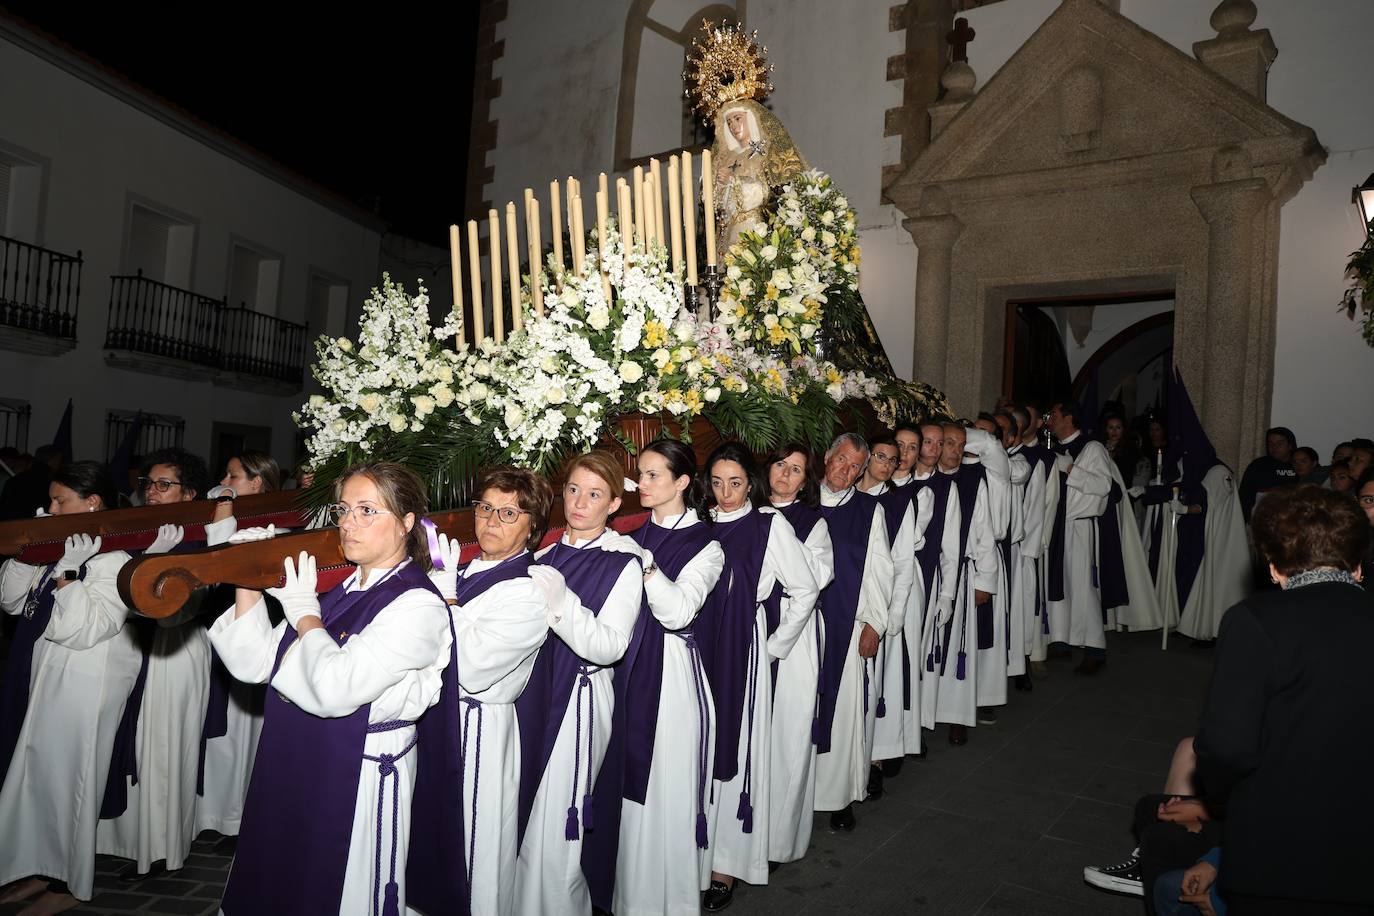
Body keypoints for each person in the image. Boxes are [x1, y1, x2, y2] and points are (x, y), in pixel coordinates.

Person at [210, 462, 453, 916]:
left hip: (360, 770)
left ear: (405, 523)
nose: (348, 523)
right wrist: (248, 580)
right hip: (301, 755)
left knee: (342, 893)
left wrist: (305, 616)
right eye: (343, 510)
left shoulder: (417, 604)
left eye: (367, 510)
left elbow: (336, 688)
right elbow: (256, 663)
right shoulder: (339, 588)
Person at [1194, 485, 1374, 914]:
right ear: (1359, 566)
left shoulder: (1255, 621)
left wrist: (1219, 798)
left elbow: (1227, 748)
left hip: (1280, 850)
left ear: (1273, 568)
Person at [416, 468, 560, 916]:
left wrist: (447, 600)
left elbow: (474, 668)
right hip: (435, 717)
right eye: (485, 508)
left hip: (478, 728)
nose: (491, 520)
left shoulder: (530, 590)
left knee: (472, 848)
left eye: (508, 512)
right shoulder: (462, 567)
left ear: (532, 526)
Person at [0, 462, 143, 913]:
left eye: (61, 500)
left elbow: (86, 628)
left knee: (76, 779)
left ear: (92, 504)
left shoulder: (114, 558)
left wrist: (66, 575)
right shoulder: (63, 548)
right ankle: (41, 868)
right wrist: (31, 555)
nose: (50, 508)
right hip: (49, 673)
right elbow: (10, 602)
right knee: (41, 774)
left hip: (89, 679)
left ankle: (70, 885)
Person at [512, 452, 643, 916]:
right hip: (532, 695)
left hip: (581, 700)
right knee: (522, 819)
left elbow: (610, 645)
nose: (579, 502)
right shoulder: (542, 554)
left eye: (594, 494)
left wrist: (562, 604)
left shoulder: (624, 562)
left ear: (613, 504)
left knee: (556, 829)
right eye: (573, 490)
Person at [698, 443, 818, 911]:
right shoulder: (699, 525)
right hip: (697, 648)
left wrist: (772, 648)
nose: (726, 493)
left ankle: (725, 863)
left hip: (741, 649)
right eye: (718, 482)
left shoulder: (770, 526)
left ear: (753, 482)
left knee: (735, 749)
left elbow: (805, 587)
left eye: (737, 482)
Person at [613, 439, 724, 916]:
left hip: (673, 674)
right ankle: (630, 894)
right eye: (641, 473)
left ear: (682, 482)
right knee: (626, 778)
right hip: (628, 665)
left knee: (666, 780)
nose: (643, 482)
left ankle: (672, 898)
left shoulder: (707, 544)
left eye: (655, 474)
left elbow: (679, 611)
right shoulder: (629, 533)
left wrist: (645, 564)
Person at [99, 447, 215, 881]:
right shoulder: (139, 528)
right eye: (149, 484)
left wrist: (151, 560)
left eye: (164, 485)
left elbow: (185, 599)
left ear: (189, 493)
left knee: (166, 748)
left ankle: (166, 848)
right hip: (137, 645)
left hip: (176, 645)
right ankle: (130, 842)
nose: (152, 492)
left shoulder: (201, 536)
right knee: (135, 743)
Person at [194, 451, 283, 846]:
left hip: (258, 631)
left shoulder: (277, 520)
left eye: (234, 475)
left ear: (258, 482)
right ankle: (215, 813)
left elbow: (223, 556)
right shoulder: (229, 513)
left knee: (246, 733)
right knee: (221, 733)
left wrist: (224, 510)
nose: (225, 479)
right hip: (224, 626)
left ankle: (240, 818)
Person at [813, 433, 893, 831]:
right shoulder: (800, 502)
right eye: (840, 460)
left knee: (842, 716)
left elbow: (881, 569)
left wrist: (875, 623)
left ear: (862, 472)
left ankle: (838, 796)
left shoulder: (868, 511)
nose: (845, 471)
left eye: (854, 466)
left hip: (848, 623)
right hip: (802, 631)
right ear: (827, 457)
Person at [762, 443, 832, 866]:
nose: (785, 475)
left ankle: (778, 840)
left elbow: (819, 575)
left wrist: (778, 530)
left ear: (806, 482)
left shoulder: (812, 522)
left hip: (795, 632)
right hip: (749, 627)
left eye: (796, 471)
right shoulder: (743, 507)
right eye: (780, 466)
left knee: (787, 736)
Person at [855, 431, 917, 795]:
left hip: (878, 611)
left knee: (874, 689)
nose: (887, 464)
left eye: (892, 460)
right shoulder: (842, 494)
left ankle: (874, 758)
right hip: (846, 608)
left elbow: (903, 564)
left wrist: (890, 619)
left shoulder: (897, 503)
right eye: (880, 456)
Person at [926, 424, 998, 737]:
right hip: (930, 575)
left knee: (957, 645)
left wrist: (985, 580)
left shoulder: (973, 480)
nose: (955, 450)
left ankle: (956, 715)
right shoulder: (925, 478)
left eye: (961, 444)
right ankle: (924, 715)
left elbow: (984, 533)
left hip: (964, 575)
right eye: (950, 443)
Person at [1044, 400, 1116, 674]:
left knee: (1083, 588)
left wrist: (1071, 470)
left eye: (1055, 415)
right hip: (1058, 526)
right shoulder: (1057, 449)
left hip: (1080, 527)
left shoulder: (1092, 448)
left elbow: (1103, 485)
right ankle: (1060, 641)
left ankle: (1095, 649)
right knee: (1058, 582)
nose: (1050, 420)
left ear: (1069, 418)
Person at [909, 422, 962, 742]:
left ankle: (916, 727)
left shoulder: (946, 488)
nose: (933, 448)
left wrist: (947, 594)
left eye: (938, 443)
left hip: (925, 577)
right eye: (926, 442)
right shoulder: (896, 481)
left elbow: (951, 547)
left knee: (919, 653)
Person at [1236, 427, 1297, 521]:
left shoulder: (1300, 464)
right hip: (1261, 521)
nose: (1274, 447)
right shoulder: (1258, 465)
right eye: (1270, 443)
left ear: (1290, 445)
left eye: (1280, 443)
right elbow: (1244, 497)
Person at [0, 444, 62, 520]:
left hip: (10, 527)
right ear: (54, 460)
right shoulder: (51, 482)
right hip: (37, 526)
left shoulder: (13, 480)